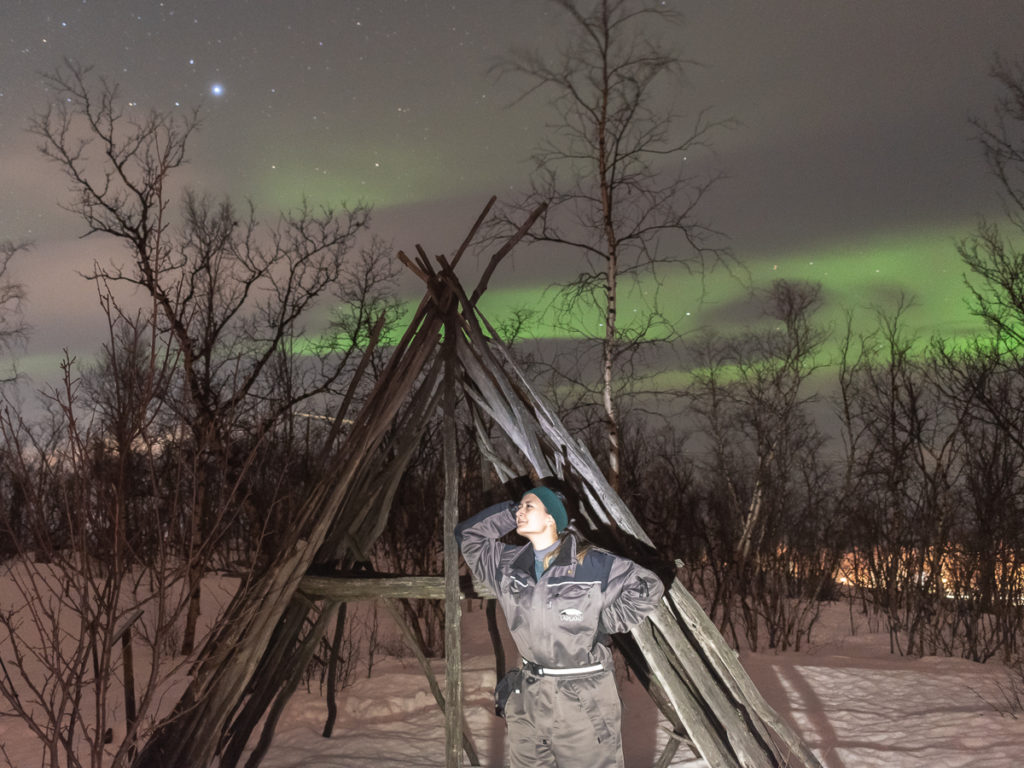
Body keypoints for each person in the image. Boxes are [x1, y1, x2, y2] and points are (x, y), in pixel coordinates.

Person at [455, 483, 664, 768]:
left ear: (551, 517)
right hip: (529, 694)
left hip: (581, 697)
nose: (520, 511)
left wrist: (602, 622)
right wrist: (509, 511)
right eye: (519, 506)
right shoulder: (507, 565)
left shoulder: (592, 564)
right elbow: (468, 535)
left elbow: (647, 587)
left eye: (530, 506)